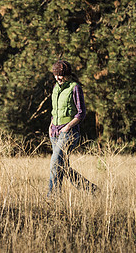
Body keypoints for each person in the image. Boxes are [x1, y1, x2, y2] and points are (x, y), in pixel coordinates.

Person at [47, 60, 97, 197]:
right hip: (54, 133)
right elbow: (54, 110)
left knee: (54, 163)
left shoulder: (75, 88)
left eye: (61, 75)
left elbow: (81, 113)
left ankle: (52, 197)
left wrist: (67, 127)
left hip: (68, 133)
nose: (58, 77)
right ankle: (90, 189)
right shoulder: (56, 87)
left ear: (68, 74)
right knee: (62, 167)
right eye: (55, 74)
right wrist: (51, 125)